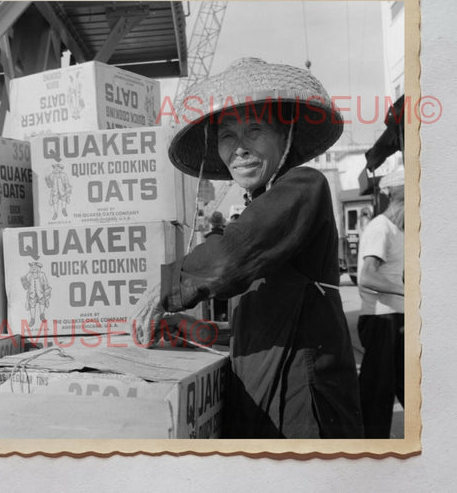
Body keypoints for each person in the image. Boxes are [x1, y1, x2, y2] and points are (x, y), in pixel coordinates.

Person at [132, 57, 363, 439]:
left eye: (254, 131)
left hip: (305, 408)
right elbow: (256, 325)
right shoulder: (256, 211)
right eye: (227, 136)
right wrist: (194, 329)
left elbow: (228, 256)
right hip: (259, 407)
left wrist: (166, 288)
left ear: (283, 136)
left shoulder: (305, 187)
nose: (239, 149)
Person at [357, 168, 405, 438]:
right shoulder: (380, 228)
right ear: (401, 198)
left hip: (396, 318)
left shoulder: (399, 231)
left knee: (407, 388)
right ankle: (370, 458)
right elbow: (367, 276)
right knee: (377, 396)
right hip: (381, 320)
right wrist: (407, 291)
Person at [204, 211, 228, 321]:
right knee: (227, 299)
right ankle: (227, 318)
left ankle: (217, 319)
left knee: (215, 300)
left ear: (211, 224)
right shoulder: (226, 236)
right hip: (226, 272)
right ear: (221, 223)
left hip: (212, 274)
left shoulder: (207, 238)